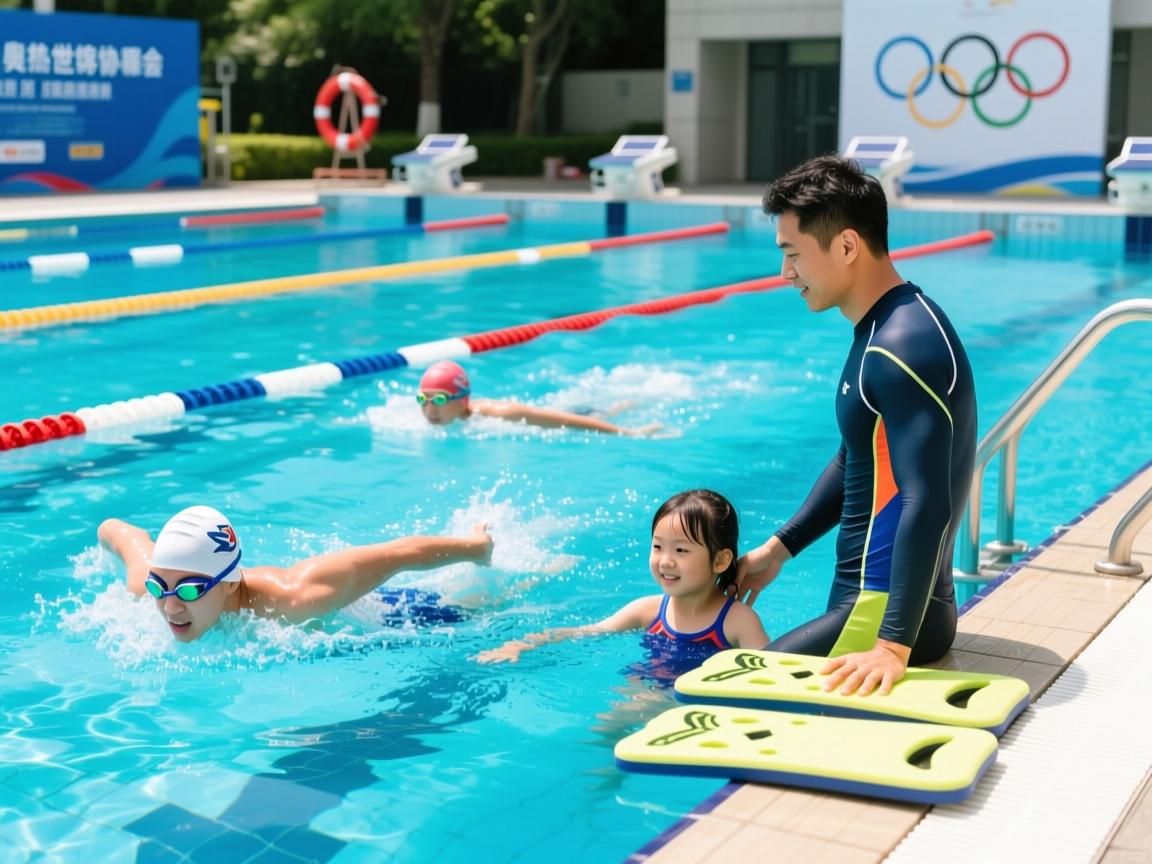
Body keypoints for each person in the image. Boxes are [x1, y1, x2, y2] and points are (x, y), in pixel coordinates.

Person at [735, 155, 977, 698]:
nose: (785, 274)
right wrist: (779, 549)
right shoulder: (890, 325)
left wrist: (892, 645)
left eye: (793, 255)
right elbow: (858, 454)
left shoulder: (900, 346)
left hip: (885, 617)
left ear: (846, 247)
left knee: (711, 686)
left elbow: (925, 501)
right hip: (871, 606)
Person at [98, 505, 493, 642]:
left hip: (388, 614)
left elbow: (400, 553)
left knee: (485, 608)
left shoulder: (296, 597)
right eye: (158, 587)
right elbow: (117, 532)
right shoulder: (151, 582)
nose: (168, 606)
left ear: (229, 581)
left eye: (187, 591)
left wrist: (478, 548)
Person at [477, 489, 769, 667]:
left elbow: (773, 668)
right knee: (607, 733)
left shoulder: (737, 621)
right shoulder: (648, 610)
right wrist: (526, 644)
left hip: (701, 705)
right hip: (645, 688)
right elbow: (588, 631)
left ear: (720, 560)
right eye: (657, 547)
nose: (665, 560)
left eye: (681, 550)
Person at [415, 360, 661, 436]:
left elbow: (566, 421)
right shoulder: (446, 418)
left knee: (606, 411)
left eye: (438, 400)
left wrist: (628, 432)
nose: (428, 409)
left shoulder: (500, 414)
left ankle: (627, 403)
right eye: (422, 399)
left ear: (461, 401)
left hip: (578, 415)